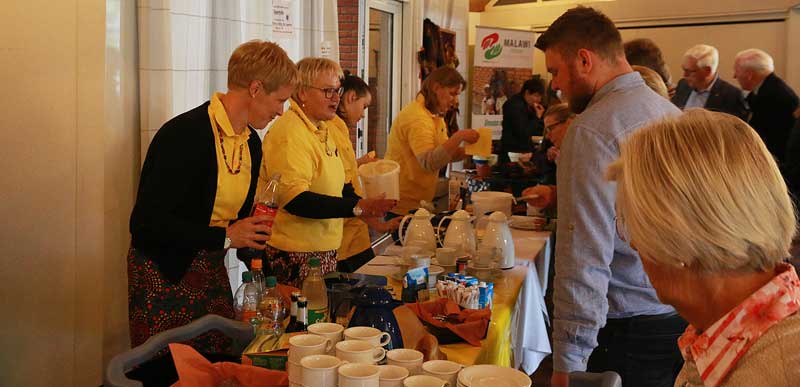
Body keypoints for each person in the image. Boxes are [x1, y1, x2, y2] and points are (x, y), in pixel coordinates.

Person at [534, 7, 685, 387]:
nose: (555, 85)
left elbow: (584, 254)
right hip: (677, 318)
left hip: (622, 330)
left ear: (584, 59)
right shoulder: (671, 114)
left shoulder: (591, 131)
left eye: (555, 71)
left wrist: (568, 362)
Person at [607, 109, 800, 386]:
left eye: (633, 224)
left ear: (679, 239)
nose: (633, 242)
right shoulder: (723, 331)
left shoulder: (778, 371)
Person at [127, 40, 298, 351]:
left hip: (210, 267)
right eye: (280, 100)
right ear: (256, 88)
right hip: (164, 271)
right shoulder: (183, 134)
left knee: (218, 360)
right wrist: (225, 236)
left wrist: (269, 281)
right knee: (170, 368)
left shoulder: (251, 143)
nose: (280, 111)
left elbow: (243, 228)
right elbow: (145, 225)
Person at [261, 58, 395, 287]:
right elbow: (295, 200)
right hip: (296, 253)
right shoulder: (290, 132)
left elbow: (341, 184)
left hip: (324, 250)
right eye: (328, 91)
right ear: (302, 93)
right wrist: (356, 207)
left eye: (338, 90)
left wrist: (366, 205)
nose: (336, 98)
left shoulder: (322, 129)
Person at [329, 72, 402, 272]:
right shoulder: (331, 131)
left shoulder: (338, 130)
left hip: (353, 235)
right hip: (345, 242)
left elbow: (342, 174)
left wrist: (360, 163)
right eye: (364, 106)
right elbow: (343, 190)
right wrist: (376, 221)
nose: (363, 114)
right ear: (351, 97)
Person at [385, 66, 479, 217]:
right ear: (436, 87)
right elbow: (429, 162)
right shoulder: (417, 118)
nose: (455, 101)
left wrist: (475, 150)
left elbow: (445, 153)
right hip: (401, 206)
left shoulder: (434, 115)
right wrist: (459, 136)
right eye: (452, 94)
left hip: (419, 202)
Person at [734, 48, 799, 166]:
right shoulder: (769, 88)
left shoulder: (773, 96)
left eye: (737, 71)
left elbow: (769, 139)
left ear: (749, 75)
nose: (734, 76)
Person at [672, 44, 747, 119]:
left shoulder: (731, 96)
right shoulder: (683, 85)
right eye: (684, 69)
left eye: (690, 71)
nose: (684, 75)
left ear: (708, 71)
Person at [500, 77, 546, 163]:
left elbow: (538, 129)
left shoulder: (529, 106)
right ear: (527, 93)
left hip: (523, 150)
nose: (539, 100)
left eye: (540, 97)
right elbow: (523, 132)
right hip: (512, 153)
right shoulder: (515, 106)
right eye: (536, 96)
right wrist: (537, 117)